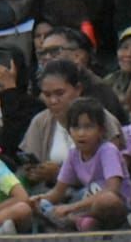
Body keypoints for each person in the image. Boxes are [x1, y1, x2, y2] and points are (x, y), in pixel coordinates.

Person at [19, 60, 123, 190]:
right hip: (52, 191)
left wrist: (59, 173)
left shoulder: (101, 117)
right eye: (47, 95)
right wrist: (35, 172)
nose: (53, 101)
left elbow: (110, 173)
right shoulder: (40, 121)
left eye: (60, 93)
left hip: (95, 191)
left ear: (78, 89)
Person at [29, 97, 130, 231]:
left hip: (116, 207)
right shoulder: (73, 154)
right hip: (86, 205)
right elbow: (57, 192)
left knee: (107, 201)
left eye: (88, 127)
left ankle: (74, 219)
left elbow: (112, 190)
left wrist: (71, 208)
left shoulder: (108, 150)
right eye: (76, 127)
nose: (81, 133)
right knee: (37, 206)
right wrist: (39, 199)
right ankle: (78, 221)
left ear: (101, 130)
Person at [38, 27, 127, 123]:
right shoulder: (41, 94)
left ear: (78, 56)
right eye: (43, 53)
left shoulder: (99, 92)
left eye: (54, 51)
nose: (47, 57)